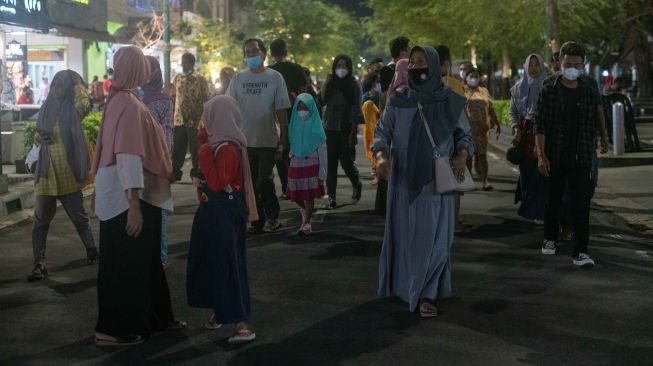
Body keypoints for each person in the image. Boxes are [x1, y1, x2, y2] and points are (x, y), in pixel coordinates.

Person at [93, 46, 185, 346]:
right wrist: (133, 206)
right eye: (143, 64)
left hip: (129, 194)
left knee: (140, 264)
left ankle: (155, 319)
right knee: (125, 266)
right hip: (128, 198)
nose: (148, 68)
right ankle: (113, 329)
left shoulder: (122, 99)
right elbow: (128, 156)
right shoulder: (129, 104)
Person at [373, 46, 473, 317]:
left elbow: (464, 136)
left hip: (434, 177)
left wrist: (462, 156)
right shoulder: (399, 100)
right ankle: (406, 288)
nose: (417, 68)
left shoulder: (450, 100)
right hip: (403, 178)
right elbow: (382, 132)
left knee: (433, 239)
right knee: (405, 236)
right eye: (413, 63)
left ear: (436, 66)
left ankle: (427, 293)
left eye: (422, 62)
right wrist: (381, 158)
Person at [187, 95, 258, 344]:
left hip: (223, 215)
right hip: (213, 213)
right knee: (214, 263)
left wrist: (205, 153)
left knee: (229, 266)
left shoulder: (227, 147)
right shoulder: (219, 143)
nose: (205, 120)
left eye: (209, 115)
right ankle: (220, 311)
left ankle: (241, 324)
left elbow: (217, 183)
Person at [535, 41, 608, 267]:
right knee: (553, 201)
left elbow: (598, 112)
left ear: (583, 65)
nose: (572, 67)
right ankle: (549, 238)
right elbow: (541, 125)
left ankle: (581, 251)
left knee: (581, 205)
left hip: (582, 154)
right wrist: (541, 156)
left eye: (577, 64)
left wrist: (604, 137)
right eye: (568, 63)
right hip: (555, 154)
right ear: (560, 62)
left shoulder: (589, 88)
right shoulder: (549, 87)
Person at [28, 70, 97, 281]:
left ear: (67, 88)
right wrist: (39, 138)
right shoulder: (46, 107)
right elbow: (37, 138)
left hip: (68, 173)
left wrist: (77, 84)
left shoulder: (74, 109)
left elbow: (85, 103)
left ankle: (92, 250)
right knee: (40, 221)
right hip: (46, 175)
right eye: (54, 85)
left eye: (61, 85)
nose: (57, 89)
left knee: (79, 218)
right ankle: (39, 263)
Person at [227, 38, 291, 234]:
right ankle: (257, 220)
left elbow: (281, 111)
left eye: (255, 51)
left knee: (264, 180)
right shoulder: (238, 79)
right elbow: (229, 108)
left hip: (268, 141)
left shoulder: (275, 78)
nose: (252, 55)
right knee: (251, 184)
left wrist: (283, 140)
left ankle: (272, 216)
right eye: (248, 52)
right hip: (245, 142)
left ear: (264, 53)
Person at [142, 55, 174, 267]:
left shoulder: (164, 100)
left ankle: (160, 255)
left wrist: (166, 159)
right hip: (135, 158)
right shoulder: (133, 96)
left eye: (148, 70)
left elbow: (168, 133)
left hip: (155, 159)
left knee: (158, 208)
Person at [435, 45, 470, 234]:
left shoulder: (411, 90)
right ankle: (453, 221)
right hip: (450, 152)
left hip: (443, 152)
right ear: (447, 64)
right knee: (453, 188)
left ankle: (451, 222)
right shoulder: (455, 85)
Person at [320, 54, 363, 209]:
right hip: (329, 128)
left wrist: (353, 131)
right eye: (339, 65)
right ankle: (331, 196)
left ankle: (356, 183)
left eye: (344, 65)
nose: (341, 69)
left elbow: (357, 108)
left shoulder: (353, 84)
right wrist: (325, 84)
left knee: (346, 162)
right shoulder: (331, 82)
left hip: (345, 129)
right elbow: (322, 100)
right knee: (330, 164)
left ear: (349, 67)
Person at [510, 54, 547, 223]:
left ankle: (537, 210)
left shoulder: (548, 86)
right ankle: (529, 208)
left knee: (539, 173)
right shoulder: (518, 88)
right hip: (524, 134)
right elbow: (513, 112)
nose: (533, 68)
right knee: (525, 171)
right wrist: (516, 129)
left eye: (537, 65)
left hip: (541, 132)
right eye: (530, 65)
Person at [269, 38, 308, 199]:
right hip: (295, 116)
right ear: (286, 51)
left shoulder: (269, 71)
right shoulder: (297, 69)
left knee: (280, 153)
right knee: (295, 152)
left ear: (271, 53)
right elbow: (303, 93)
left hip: (276, 118)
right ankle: (296, 185)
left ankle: (286, 187)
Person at [286, 93, 326, 235]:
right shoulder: (293, 124)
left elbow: (322, 150)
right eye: (299, 107)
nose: (302, 110)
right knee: (294, 194)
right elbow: (292, 143)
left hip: (312, 162)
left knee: (309, 195)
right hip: (296, 162)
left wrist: (322, 173)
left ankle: (306, 224)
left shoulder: (316, 126)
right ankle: (304, 211)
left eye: (305, 107)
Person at [171, 53, 210, 181]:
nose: (183, 64)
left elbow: (206, 97)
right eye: (182, 62)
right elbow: (173, 97)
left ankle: (197, 171)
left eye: (185, 62)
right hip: (179, 119)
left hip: (195, 120)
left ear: (192, 63)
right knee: (178, 147)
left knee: (195, 147)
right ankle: (176, 171)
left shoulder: (200, 78)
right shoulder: (177, 78)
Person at [464, 68, 501, 190]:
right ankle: (469, 182)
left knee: (482, 156)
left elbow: (490, 108)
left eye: (476, 76)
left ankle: (485, 181)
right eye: (471, 76)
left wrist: (496, 123)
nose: (474, 78)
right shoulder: (462, 90)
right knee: (468, 157)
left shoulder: (484, 91)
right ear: (466, 78)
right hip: (468, 131)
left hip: (482, 131)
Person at [362, 73, 381, 185]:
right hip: (370, 128)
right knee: (374, 151)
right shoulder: (366, 97)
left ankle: (378, 173)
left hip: (380, 126)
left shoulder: (382, 95)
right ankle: (375, 172)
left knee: (379, 150)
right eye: (375, 82)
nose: (377, 84)